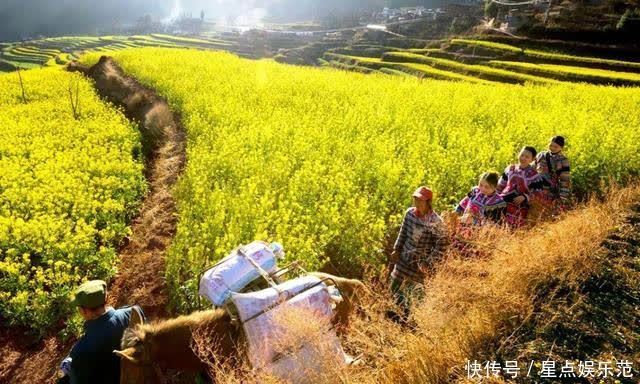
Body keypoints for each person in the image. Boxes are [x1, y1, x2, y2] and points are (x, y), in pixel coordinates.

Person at [57, 280, 145, 384]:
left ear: (83, 311)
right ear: (106, 298)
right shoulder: (133, 313)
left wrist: (62, 376)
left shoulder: (81, 350)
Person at [387, 186, 448, 323]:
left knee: (414, 296)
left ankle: (409, 322)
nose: (417, 203)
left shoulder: (436, 222)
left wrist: (429, 262)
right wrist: (396, 249)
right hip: (404, 258)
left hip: (420, 264)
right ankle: (392, 318)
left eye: (421, 200)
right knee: (395, 288)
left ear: (428, 202)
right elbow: (402, 233)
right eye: (415, 199)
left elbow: (442, 245)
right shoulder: (409, 214)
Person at [496, 146, 544, 228]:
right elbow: (500, 185)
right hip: (504, 198)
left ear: (532, 160)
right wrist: (494, 196)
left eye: (527, 157)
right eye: (522, 155)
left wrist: (526, 197)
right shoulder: (510, 168)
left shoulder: (534, 175)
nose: (523, 158)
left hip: (520, 203)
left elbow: (539, 194)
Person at [534, 136, 572, 212]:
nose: (552, 148)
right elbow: (532, 168)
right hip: (536, 188)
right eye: (551, 145)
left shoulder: (563, 160)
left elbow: (565, 180)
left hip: (550, 191)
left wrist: (563, 198)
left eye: (556, 147)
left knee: (546, 213)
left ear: (561, 147)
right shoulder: (541, 155)